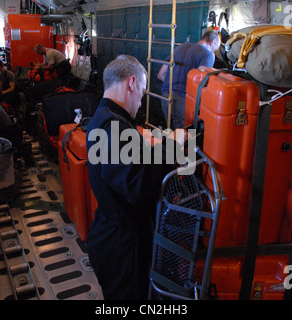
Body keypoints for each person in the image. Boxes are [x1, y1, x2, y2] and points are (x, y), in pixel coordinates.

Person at [86, 55, 187, 300]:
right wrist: (172, 146)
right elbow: (137, 184)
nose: (140, 103)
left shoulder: (105, 118)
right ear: (131, 83)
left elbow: (130, 166)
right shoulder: (113, 126)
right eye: (141, 93)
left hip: (117, 236)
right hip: (123, 246)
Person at [157, 30, 220, 129]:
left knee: (172, 137)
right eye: (216, 49)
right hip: (183, 101)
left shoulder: (178, 48)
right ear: (212, 42)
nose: (215, 52)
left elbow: (160, 75)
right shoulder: (208, 54)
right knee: (188, 140)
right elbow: (201, 81)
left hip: (165, 97)